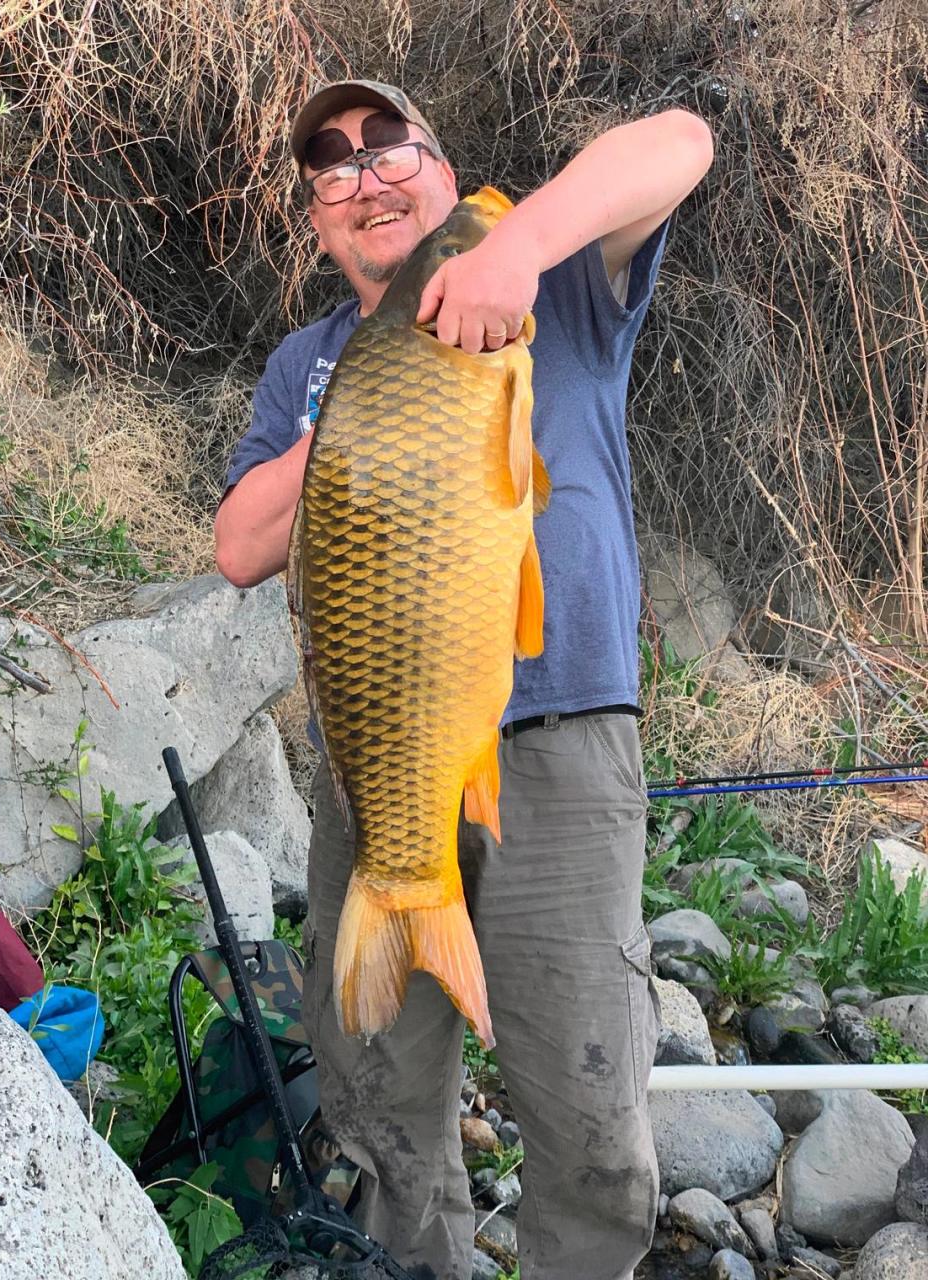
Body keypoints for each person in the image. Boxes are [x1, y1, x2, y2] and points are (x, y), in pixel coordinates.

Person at [215, 80, 713, 1280]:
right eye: (331, 170)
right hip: (377, 749)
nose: (365, 176)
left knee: (595, 1117)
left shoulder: (553, 285)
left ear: (443, 170)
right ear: (322, 227)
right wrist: (355, 408)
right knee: (379, 1104)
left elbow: (683, 141)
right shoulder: (309, 362)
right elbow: (238, 544)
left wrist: (520, 250)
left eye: (389, 148)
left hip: (559, 741)